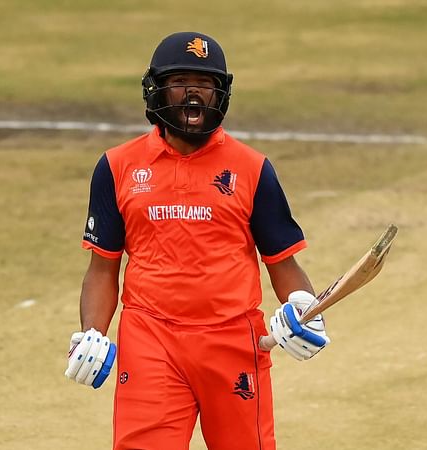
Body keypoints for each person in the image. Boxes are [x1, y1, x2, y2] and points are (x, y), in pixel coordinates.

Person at [65, 31, 330, 450]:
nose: (194, 96)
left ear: (220, 94)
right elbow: (102, 266)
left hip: (232, 341)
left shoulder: (252, 169)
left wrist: (303, 306)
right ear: (157, 90)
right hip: (149, 337)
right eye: (181, 82)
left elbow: (282, 262)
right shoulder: (117, 166)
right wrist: (91, 332)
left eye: (205, 85)